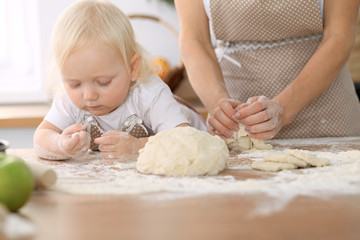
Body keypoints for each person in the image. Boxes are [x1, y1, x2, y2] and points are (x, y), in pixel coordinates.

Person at [33, 0, 207, 161]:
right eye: (75, 84)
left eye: (103, 82)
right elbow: (41, 138)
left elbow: (184, 140)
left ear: (132, 68)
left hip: (200, 145)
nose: (89, 95)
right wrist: (60, 145)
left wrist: (138, 147)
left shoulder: (149, 93)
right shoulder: (68, 99)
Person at [175, 0, 360, 140]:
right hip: (238, 121)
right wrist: (218, 103)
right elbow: (194, 39)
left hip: (326, 116)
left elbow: (339, 36)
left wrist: (283, 108)